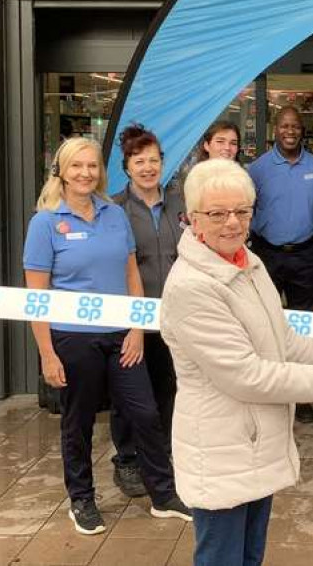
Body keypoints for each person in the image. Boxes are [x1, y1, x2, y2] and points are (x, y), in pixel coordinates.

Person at [159, 158, 313, 566]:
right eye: (218, 213)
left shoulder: (247, 263)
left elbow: (285, 343)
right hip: (223, 452)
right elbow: (247, 376)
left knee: (250, 558)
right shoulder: (192, 287)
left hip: (255, 446)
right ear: (192, 220)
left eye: (242, 211)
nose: (232, 223)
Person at [23, 137, 189, 535]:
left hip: (122, 335)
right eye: (77, 166)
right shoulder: (45, 222)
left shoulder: (114, 214)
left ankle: (163, 495)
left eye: (92, 166)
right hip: (73, 339)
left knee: (146, 413)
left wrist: (136, 329)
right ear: (61, 171)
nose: (85, 173)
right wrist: (47, 353)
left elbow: (132, 275)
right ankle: (81, 498)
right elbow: (36, 297)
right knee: (77, 422)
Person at [107, 125, 186, 498]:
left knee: (168, 388)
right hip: (132, 319)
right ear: (126, 167)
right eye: (140, 161)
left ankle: (163, 454)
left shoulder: (180, 204)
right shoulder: (114, 209)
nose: (148, 167)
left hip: (174, 317)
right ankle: (126, 459)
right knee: (130, 395)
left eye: (154, 160)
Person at [247, 106, 313, 424]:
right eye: (284, 125)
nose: (289, 131)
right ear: (275, 129)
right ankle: (270, 392)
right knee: (263, 322)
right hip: (265, 254)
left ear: (302, 130)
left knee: (303, 325)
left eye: (295, 126)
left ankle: (302, 396)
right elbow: (245, 207)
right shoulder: (256, 169)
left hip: (305, 256)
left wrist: (309, 234)